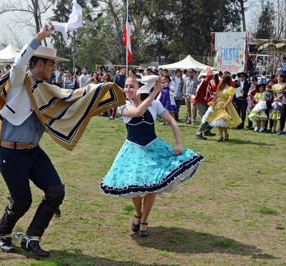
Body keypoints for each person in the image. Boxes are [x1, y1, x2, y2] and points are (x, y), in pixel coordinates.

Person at [0, 22, 125, 256]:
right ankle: (4, 234)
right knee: (21, 201)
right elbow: (18, 65)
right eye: (50, 64)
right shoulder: (18, 82)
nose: (53, 69)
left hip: (33, 152)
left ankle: (31, 238)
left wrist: (100, 91)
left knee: (56, 191)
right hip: (11, 152)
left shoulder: (47, 89)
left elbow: (72, 100)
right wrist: (38, 37)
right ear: (37, 63)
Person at [100, 75, 203, 237]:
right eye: (126, 86)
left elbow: (172, 122)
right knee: (134, 186)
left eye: (131, 86)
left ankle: (144, 220)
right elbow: (139, 111)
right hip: (133, 150)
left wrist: (178, 143)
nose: (127, 89)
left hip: (154, 147)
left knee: (152, 186)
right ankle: (138, 214)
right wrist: (154, 92)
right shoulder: (123, 105)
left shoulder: (155, 104)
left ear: (140, 87)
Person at [206, 74, 242, 141]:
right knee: (218, 121)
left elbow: (230, 99)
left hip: (226, 106)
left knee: (223, 121)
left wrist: (225, 106)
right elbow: (216, 97)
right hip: (218, 106)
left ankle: (226, 134)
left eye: (222, 79)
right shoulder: (220, 88)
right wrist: (212, 103)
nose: (221, 80)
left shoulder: (231, 88)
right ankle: (221, 136)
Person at [193, 68, 217, 140]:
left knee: (210, 117)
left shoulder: (206, 83)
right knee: (205, 118)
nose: (213, 76)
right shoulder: (204, 81)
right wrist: (209, 70)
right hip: (200, 102)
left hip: (203, 102)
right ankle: (198, 134)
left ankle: (206, 131)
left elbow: (207, 93)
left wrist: (213, 94)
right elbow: (209, 77)